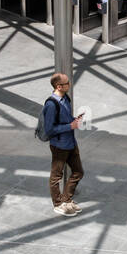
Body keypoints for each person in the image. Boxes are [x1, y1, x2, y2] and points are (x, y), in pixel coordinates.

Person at [42, 72, 85, 216]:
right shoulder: (51, 104)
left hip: (70, 142)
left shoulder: (66, 98)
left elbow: (64, 119)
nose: (69, 85)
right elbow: (49, 129)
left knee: (78, 171)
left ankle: (66, 199)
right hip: (59, 145)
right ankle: (58, 204)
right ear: (59, 86)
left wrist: (74, 120)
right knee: (56, 176)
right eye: (67, 83)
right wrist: (70, 126)